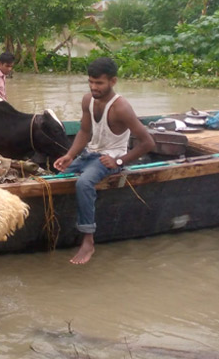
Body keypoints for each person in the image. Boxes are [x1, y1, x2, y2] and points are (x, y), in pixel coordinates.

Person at [52, 57, 155, 265]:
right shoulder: (87, 100)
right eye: (91, 82)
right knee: (58, 176)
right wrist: (70, 155)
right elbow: (84, 131)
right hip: (90, 154)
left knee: (84, 183)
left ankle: (88, 240)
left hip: (111, 157)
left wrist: (119, 162)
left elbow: (147, 143)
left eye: (99, 83)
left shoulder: (121, 107)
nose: (93, 87)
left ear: (113, 81)